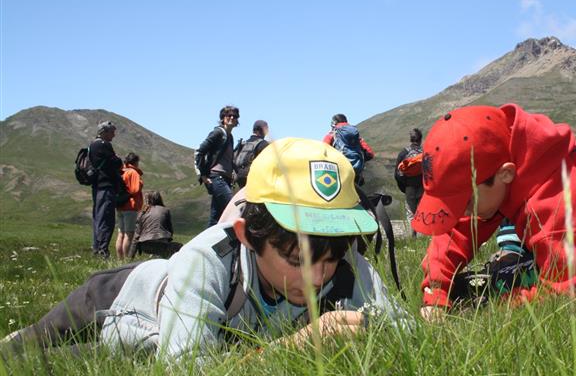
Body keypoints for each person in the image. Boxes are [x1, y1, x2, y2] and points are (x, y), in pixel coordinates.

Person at [2, 138, 407, 360]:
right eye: (296, 260)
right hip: (118, 297)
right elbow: (186, 374)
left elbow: (403, 334)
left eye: (331, 258)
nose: (319, 276)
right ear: (248, 235)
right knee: (21, 355)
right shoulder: (209, 257)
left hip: (148, 338)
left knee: (82, 361)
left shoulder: (341, 261)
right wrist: (292, 349)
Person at [411, 104, 576, 317]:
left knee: (497, 285)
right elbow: (458, 231)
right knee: (495, 278)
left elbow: (566, 291)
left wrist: (492, 308)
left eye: (466, 202)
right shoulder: (496, 169)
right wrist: (436, 294)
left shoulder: (562, 201)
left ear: (505, 174)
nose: (462, 213)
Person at [194, 105, 240, 227]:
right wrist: (202, 175)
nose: (231, 117)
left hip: (224, 179)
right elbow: (199, 152)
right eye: (228, 115)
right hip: (216, 178)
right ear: (223, 117)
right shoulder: (218, 133)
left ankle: (204, 244)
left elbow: (228, 160)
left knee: (216, 218)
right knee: (233, 208)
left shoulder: (229, 137)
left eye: (234, 116)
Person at [89, 121, 123, 258]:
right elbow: (117, 163)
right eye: (112, 132)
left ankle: (97, 248)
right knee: (106, 219)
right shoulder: (103, 145)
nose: (113, 135)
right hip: (106, 187)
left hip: (97, 187)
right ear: (104, 132)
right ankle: (102, 252)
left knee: (98, 218)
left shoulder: (92, 145)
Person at [323, 114, 374, 185]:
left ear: (334, 123)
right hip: (356, 172)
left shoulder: (332, 134)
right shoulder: (356, 137)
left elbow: (323, 151)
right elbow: (370, 154)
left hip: (339, 170)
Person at [394, 128, 424, 238]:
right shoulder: (424, 152)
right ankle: (423, 237)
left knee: (411, 213)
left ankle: (412, 237)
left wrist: (404, 186)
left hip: (409, 187)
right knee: (422, 212)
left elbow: (397, 173)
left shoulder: (404, 152)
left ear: (410, 139)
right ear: (421, 139)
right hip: (423, 187)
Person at [133, 191, 182, 258]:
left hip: (145, 246)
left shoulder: (142, 213)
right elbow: (170, 230)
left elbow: (136, 236)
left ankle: (155, 256)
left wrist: (130, 256)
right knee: (179, 247)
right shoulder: (165, 210)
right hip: (161, 242)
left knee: (159, 250)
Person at [115, 153, 144, 259]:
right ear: (135, 162)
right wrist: (140, 183)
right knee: (129, 234)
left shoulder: (122, 171)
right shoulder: (133, 172)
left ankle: (119, 259)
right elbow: (135, 189)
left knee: (121, 233)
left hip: (120, 205)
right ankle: (126, 259)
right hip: (130, 206)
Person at [233, 119, 270, 188]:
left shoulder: (243, 143)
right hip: (253, 178)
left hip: (239, 177)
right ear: (263, 130)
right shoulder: (263, 144)